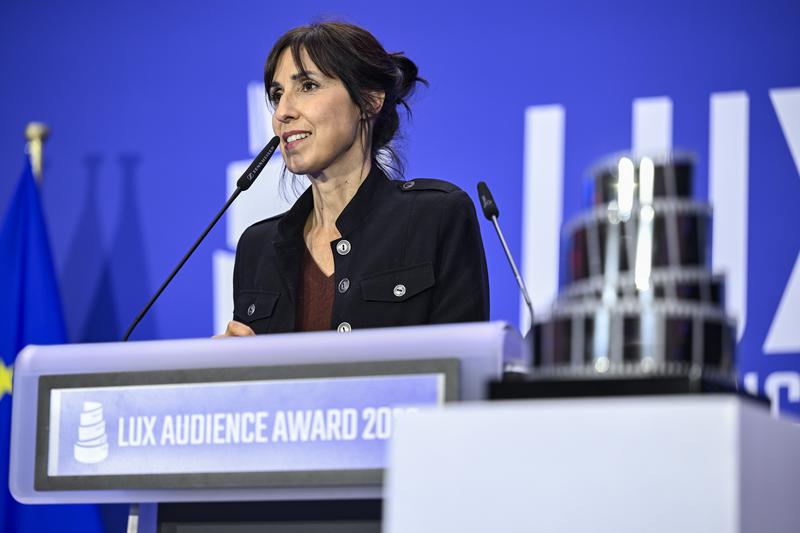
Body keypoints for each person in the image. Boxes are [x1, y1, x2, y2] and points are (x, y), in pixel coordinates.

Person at [219, 21, 489, 337]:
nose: (282, 113)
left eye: (307, 86)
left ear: (370, 100)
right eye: (277, 94)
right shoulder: (258, 247)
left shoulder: (437, 216)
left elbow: (461, 369)